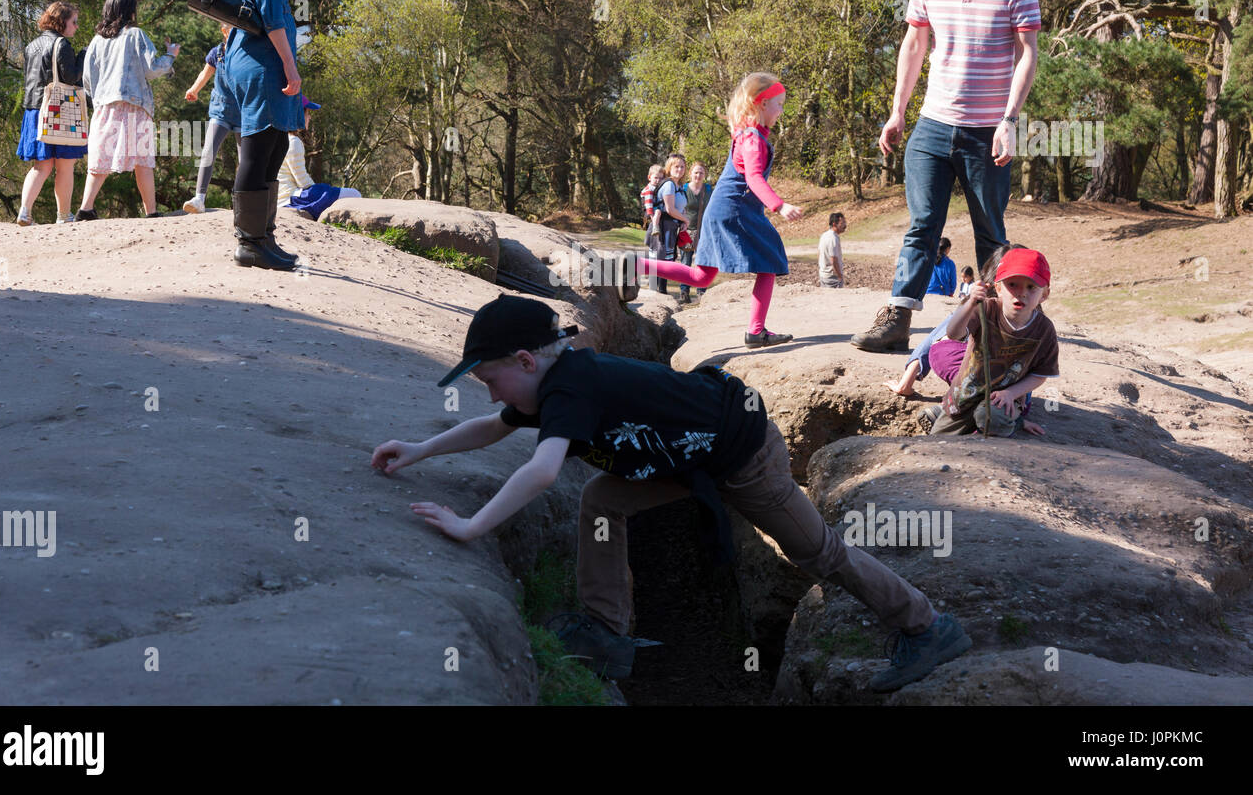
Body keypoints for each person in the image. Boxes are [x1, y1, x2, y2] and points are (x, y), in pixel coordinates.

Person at [372, 295, 972, 691]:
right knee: (602, 500)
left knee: (818, 555)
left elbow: (543, 471)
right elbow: (492, 428)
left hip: (745, 456)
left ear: (527, 361)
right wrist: (420, 449)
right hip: (688, 459)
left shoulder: (570, 389)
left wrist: (472, 526)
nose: (491, 395)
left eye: (490, 379)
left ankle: (926, 626)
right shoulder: (555, 382)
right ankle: (606, 634)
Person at [851, 0, 1040, 352]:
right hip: (932, 125)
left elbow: (1027, 55)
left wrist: (1009, 121)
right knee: (922, 225)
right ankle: (897, 319)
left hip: (985, 131)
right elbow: (914, 45)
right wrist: (897, 112)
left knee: (991, 234)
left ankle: (999, 328)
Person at [637, 72, 805, 348]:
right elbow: (753, 178)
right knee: (771, 260)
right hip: (734, 209)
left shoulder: (748, 133)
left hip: (724, 209)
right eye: (779, 103)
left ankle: (635, 266)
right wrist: (779, 205)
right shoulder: (752, 139)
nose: (781, 110)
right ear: (761, 103)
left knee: (701, 276)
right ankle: (756, 331)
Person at [216, 0, 303, 270]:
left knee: (275, 142)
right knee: (259, 144)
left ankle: (263, 237)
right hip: (262, 57)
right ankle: (250, 242)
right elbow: (270, 9)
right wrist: (290, 65)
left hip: (237, 55)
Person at [927, 248, 1058, 437]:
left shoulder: (1044, 330)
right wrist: (970, 303)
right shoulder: (985, 309)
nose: (1021, 293)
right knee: (938, 439)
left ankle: (1007, 423)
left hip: (1004, 400)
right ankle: (959, 419)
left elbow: (1040, 373)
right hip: (965, 394)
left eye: (1031, 287)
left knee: (992, 417)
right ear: (998, 289)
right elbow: (954, 333)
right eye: (1013, 285)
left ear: (1044, 294)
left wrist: (1012, 393)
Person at [77, 0, 178, 219]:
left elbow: (87, 79)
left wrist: (100, 99)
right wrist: (170, 55)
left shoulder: (96, 41)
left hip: (105, 105)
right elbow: (151, 69)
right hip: (134, 105)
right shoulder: (136, 35)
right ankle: (151, 212)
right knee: (142, 159)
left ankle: (86, 208)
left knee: (100, 159)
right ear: (130, 11)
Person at [17, 1, 87, 225]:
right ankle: (64, 216)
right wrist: (84, 55)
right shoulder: (62, 45)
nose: (76, 27)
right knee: (65, 165)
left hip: (34, 110)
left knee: (41, 166)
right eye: (73, 22)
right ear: (61, 21)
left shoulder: (31, 45)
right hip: (59, 110)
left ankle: (24, 212)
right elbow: (71, 77)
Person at [181, 24, 240, 214]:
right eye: (232, 30)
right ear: (224, 32)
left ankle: (243, 199)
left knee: (246, 159)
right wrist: (194, 89)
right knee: (208, 150)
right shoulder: (217, 53)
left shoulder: (246, 54)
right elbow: (205, 73)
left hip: (243, 112)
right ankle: (199, 198)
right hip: (221, 110)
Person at [279, 98, 362, 219]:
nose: (310, 118)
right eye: (308, 113)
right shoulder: (293, 141)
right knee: (354, 194)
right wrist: (320, 191)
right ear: (298, 115)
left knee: (329, 190)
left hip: (282, 198)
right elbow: (303, 182)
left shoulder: (279, 139)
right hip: (292, 199)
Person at [652, 154, 689, 298]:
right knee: (664, 258)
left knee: (669, 257)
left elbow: (680, 208)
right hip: (664, 225)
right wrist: (686, 220)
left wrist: (682, 221)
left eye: (682, 167)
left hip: (673, 225)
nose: (679, 169)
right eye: (676, 166)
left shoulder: (679, 186)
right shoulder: (668, 184)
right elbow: (670, 209)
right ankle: (660, 291)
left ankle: (661, 291)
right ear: (669, 168)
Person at [680, 160, 713, 302]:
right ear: (690, 174)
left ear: (704, 175)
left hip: (704, 231)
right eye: (696, 172)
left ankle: (701, 292)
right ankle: (684, 292)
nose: (698, 175)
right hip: (686, 230)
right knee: (685, 262)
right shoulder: (683, 188)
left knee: (703, 262)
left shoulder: (708, 190)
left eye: (701, 173)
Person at [818, 211, 846, 288]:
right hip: (832, 277)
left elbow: (820, 253)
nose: (845, 225)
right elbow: (833, 260)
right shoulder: (833, 238)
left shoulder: (824, 235)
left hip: (823, 275)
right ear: (834, 224)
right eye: (842, 223)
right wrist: (840, 276)